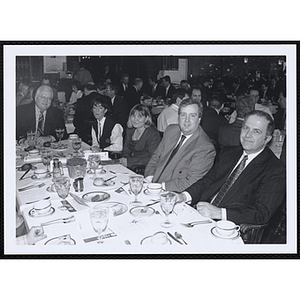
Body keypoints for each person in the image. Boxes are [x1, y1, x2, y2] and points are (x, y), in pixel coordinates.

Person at [176, 110, 286, 225]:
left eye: (256, 131)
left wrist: (220, 213)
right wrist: (184, 196)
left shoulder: (275, 170)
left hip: (229, 227)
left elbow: (261, 213)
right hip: (200, 213)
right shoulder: (228, 153)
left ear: (267, 139)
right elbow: (208, 180)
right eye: (245, 128)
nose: (247, 135)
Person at [145, 98, 216, 193]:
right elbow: (156, 157)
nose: (186, 120)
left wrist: (160, 187)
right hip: (152, 184)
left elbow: (191, 181)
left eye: (192, 116)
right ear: (178, 117)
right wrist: (149, 178)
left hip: (173, 194)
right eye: (183, 115)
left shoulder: (205, 147)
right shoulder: (170, 130)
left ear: (199, 119)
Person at [120, 104, 161, 170]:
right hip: (128, 166)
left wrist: (129, 161)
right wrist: (124, 159)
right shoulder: (130, 130)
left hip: (143, 168)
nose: (135, 120)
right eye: (133, 116)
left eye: (139, 117)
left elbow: (153, 157)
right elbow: (126, 150)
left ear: (146, 118)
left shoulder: (152, 134)